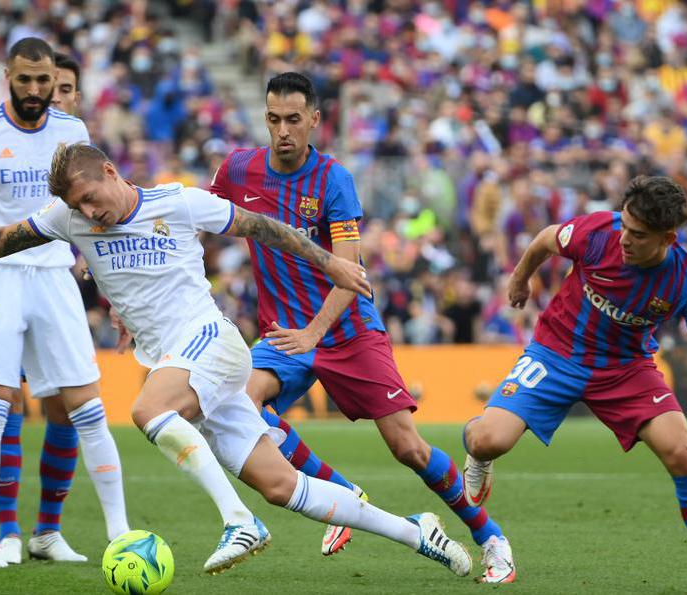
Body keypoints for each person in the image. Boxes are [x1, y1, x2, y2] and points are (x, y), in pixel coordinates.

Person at [0, 141, 474, 578]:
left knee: (148, 411)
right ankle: (415, 529)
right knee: (282, 487)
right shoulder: (68, 218)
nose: (88, 212)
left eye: (90, 197)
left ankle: (239, 521)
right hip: (182, 362)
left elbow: (264, 228)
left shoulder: (180, 202)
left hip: (210, 341)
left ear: (109, 169)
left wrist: (329, 262)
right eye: (77, 207)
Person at [209, 71, 515, 583]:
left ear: (314, 120)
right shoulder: (239, 169)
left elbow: (349, 275)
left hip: (346, 330)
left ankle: (491, 537)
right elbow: (200, 220)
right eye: (273, 119)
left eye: (292, 119)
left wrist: (314, 334)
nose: (282, 130)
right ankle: (347, 498)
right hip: (285, 335)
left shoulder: (333, 181)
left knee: (408, 448)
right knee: (242, 408)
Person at [462, 176, 687, 595]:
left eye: (638, 234)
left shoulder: (686, 278)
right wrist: (520, 280)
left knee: (683, 454)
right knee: (486, 440)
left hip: (626, 369)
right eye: (624, 225)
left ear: (667, 238)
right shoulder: (598, 232)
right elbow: (545, 239)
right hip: (556, 352)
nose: (624, 238)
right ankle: (478, 458)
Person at [0, 38, 129, 568]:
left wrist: (115, 289)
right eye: (24, 79)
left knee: (88, 408)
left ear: (54, 77)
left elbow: (90, 212)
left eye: (43, 80)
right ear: (7, 74)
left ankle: (118, 534)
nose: (35, 90)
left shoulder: (71, 132)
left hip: (55, 277)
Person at [0, 51, 103, 565]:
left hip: (56, 281)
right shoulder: (1, 134)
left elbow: (97, 221)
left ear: (74, 95)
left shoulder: (76, 144)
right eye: (43, 86)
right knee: (6, 401)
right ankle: (7, 531)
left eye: (62, 89)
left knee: (66, 406)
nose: (49, 97)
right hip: (4, 281)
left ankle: (47, 532)